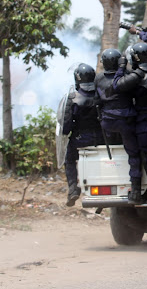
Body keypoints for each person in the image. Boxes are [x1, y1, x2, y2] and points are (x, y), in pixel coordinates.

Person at [113, 42, 147, 204]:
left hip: (144, 119)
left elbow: (117, 86)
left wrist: (121, 67)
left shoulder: (138, 75)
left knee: (145, 154)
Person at [95, 48, 144, 204]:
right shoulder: (127, 76)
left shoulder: (98, 79)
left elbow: (96, 102)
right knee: (134, 155)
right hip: (126, 122)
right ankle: (136, 190)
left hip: (107, 123)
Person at [62, 63, 104, 207]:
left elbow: (66, 126)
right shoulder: (102, 94)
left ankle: (73, 188)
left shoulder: (73, 98)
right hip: (102, 139)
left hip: (80, 140)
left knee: (69, 159)